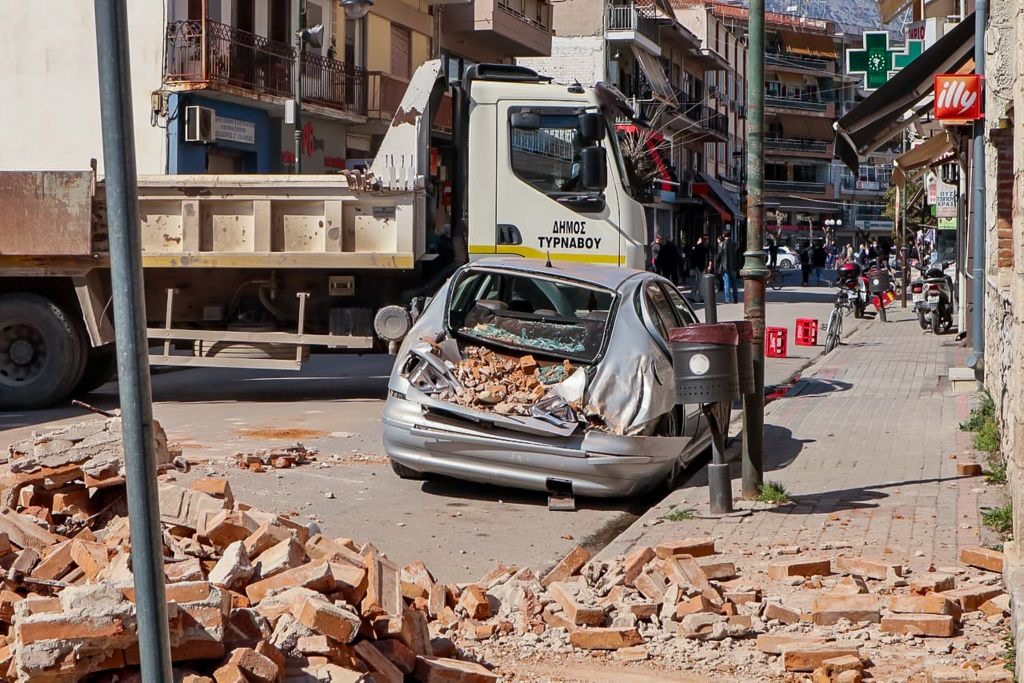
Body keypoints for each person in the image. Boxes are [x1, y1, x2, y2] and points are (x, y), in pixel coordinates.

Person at [716, 231, 739, 303]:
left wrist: (717, 264)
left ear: (723, 235)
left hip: (724, 266)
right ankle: (735, 299)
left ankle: (727, 299)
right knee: (734, 283)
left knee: (727, 283)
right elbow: (738, 256)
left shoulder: (721, 244)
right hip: (733, 266)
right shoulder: (735, 244)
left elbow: (718, 257)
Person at [690, 236, 708, 302]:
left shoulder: (698, 247)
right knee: (700, 282)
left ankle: (692, 295)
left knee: (698, 281)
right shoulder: (701, 248)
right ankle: (701, 297)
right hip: (700, 266)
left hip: (699, 266)